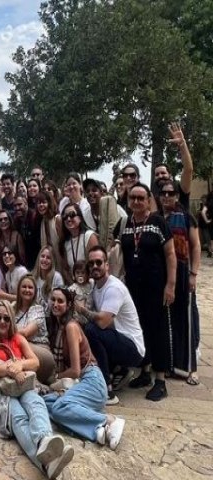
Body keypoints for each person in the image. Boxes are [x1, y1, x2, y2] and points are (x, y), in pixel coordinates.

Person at [0, 300, 74, 479]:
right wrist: (10, 369)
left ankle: (44, 440)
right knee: (18, 418)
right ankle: (47, 463)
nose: (2, 322)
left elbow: (35, 362)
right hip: (3, 390)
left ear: (11, 320)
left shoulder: (18, 338)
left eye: (6, 318)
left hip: (22, 384)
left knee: (36, 403)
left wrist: (20, 365)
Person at [44, 288, 126, 450]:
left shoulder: (71, 327)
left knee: (59, 408)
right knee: (44, 403)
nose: (55, 304)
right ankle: (96, 430)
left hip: (91, 381)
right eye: (53, 300)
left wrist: (55, 378)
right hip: (78, 385)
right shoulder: (57, 329)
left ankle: (109, 420)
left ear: (68, 306)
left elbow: (75, 370)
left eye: (60, 301)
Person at [120, 183, 176, 401]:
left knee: (158, 330)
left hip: (156, 287)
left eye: (140, 198)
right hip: (133, 289)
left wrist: (170, 285)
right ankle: (144, 371)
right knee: (139, 328)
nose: (136, 201)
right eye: (133, 197)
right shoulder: (125, 223)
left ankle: (160, 379)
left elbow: (171, 255)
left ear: (149, 199)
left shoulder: (158, 222)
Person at [76, 246, 146, 405]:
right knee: (86, 330)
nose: (94, 266)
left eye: (98, 262)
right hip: (119, 338)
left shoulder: (113, 287)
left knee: (92, 330)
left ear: (107, 265)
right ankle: (119, 370)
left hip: (133, 347)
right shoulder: (94, 285)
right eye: (91, 263)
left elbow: (102, 322)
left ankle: (107, 390)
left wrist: (81, 310)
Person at [159, 180, 200, 386]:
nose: (167, 196)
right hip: (163, 273)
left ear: (176, 195)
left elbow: (195, 246)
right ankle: (171, 364)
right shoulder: (156, 217)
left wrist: (193, 274)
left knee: (185, 320)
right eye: (163, 193)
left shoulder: (185, 217)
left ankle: (191, 368)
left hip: (183, 271)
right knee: (167, 320)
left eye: (171, 193)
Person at [13, 275, 55, 384]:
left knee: (15, 344)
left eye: (30, 287)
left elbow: (26, 332)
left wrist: (5, 330)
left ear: (35, 291)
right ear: (18, 289)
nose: (27, 290)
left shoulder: (38, 309)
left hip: (41, 352)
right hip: (22, 353)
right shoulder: (12, 308)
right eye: (24, 287)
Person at [58, 202, 99, 283]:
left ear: (80, 217)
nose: (68, 219)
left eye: (72, 214)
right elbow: (65, 269)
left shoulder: (89, 236)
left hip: (91, 284)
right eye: (65, 217)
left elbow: (96, 265)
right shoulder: (66, 243)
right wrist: (75, 287)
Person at [32, 245, 64, 314]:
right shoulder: (33, 277)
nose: (45, 260)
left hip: (51, 316)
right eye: (42, 256)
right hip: (34, 315)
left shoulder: (57, 277)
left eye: (48, 258)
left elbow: (59, 303)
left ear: (52, 261)